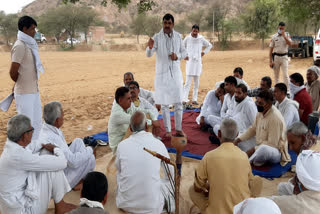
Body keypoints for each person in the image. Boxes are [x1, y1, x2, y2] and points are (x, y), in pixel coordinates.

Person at [0, 114, 76, 214]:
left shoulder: (12, 146)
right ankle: (60, 206)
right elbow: (62, 163)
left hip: (15, 206)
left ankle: (60, 204)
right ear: (24, 135)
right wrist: (56, 149)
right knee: (52, 164)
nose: (33, 132)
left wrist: (46, 145)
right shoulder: (18, 156)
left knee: (45, 153)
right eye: (31, 130)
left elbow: (34, 145)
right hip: (25, 211)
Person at [189, 118, 262, 214]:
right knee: (257, 181)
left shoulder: (209, 156)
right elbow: (249, 183)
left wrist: (210, 186)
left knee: (192, 190)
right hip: (240, 210)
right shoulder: (243, 156)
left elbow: (197, 188)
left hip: (216, 211)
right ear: (237, 135)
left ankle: (207, 210)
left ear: (219, 134)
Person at [116, 111, 174, 213]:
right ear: (147, 126)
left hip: (125, 204)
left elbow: (119, 170)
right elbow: (170, 173)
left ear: (130, 127)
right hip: (152, 207)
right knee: (169, 183)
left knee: (120, 175)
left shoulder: (122, 145)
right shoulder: (158, 144)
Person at [38, 101, 96, 189]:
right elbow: (73, 162)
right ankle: (77, 183)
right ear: (57, 120)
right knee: (90, 157)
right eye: (62, 115)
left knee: (78, 141)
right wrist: (90, 149)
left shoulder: (46, 128)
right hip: (56, 183)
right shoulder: (53, 137)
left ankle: (77, 180)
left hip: (59, 169)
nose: (64, 117)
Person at [146, 13, 187, 137]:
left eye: (169, 23)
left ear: (173, 24)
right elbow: (149, 54)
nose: (167, 25)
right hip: (162, 75)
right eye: (165, 23)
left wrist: (177, 56)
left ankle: (178, 129)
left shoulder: (178, 37)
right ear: (162, 23)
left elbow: (184, 53)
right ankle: (168, 131)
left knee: (178, 102)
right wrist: (149, 47)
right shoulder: (157, 37)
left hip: (175, 74)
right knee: (164, 104)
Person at [9, 16, 44, 140]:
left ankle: (34, 152)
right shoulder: (20, 46)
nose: (35, 31)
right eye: (33, 28)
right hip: (24, 93)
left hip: (34, 91)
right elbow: (13, 72)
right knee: (25, 127)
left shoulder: (30, 45)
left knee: (37, 124)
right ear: (25, 29)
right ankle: (26, 154)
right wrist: (21, 83)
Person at [234, 90, 291, 166]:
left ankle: (245, 163)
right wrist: (238, 140)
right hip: (259, 144)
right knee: (239, 139)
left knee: (263, 149)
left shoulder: (275, 117)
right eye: (257, 102)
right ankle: (255, 159)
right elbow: (252, 129)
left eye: (261, 103)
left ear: (269, 104)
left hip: (275, 151)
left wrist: (254, 149)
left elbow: (272, 143)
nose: (257, 105)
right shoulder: (260, 112)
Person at [108, 87, 160, 153]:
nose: (131, 100)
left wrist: (154, 119)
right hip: (118, 147)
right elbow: (136, 121)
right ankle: (149, 143)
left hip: (127, 139)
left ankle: (149, 142)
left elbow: (143, 111)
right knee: (134, 126)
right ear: (120, 100)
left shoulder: (128, 106)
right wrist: (153, 123)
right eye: (128, 98)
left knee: (146, 116)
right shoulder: (117, 114)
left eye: (130, 98)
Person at [277, 122, 319, 196]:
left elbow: (305, 187)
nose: (290, 148)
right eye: (289, 144)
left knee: (282, 187)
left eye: (293, 143)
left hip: (313, 195)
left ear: (303, 138)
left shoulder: (305, 154)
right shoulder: (315, 142)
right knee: (290, 182)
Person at [182, 24, 212, 105]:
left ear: (198, 31)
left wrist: (204, 52)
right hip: (190, 62)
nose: (195, 32)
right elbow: (181, 46)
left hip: (198, 63)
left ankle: (194, 99)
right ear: (191, 30)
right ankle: (184, 99)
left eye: (196, 31)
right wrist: (184, 55)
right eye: (193, 30)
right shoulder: (187, 38)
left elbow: (209, 45)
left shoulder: (201, 38)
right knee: (187, 82)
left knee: (196, 83)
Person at [269, 22, 292, 87]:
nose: (281, 29)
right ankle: (277, 90)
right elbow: (271, 50)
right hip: (276, 57)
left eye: (282, 28)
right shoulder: (274, 36)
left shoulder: (287, 35)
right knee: (276, 76)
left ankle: (287, 91)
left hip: (284, 57)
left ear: (284, 28)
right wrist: (270, 61)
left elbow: (290, 44)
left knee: (285, 75)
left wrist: (284, 36)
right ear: (278, 27)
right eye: (280, 28)